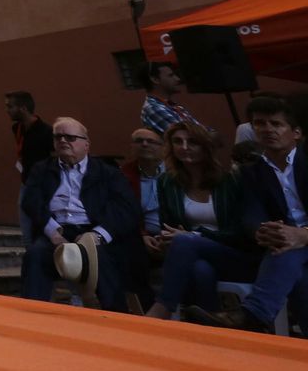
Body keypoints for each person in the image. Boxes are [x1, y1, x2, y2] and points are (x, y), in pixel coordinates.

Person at [187, 95, 308, 333]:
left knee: (287, 249)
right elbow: (251, 214)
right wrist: (263, 231)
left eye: (276, 124)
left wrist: (303, 235)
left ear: (296, 133)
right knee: (291, 259)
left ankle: (254, 315)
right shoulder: (252, 172)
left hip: (297, 244)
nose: (266, 129)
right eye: (259, 123)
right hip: (287, 250)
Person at [18, 117, 139, 312]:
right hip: (57, 231)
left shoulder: (107, 173)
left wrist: (98, 235)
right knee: (36, 255)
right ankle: (32, 314)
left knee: (103, 259)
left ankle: (116, 317)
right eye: (59, 137)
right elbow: (31, 201)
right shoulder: (42, 169)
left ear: (86, 144)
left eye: (70, 137)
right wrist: (53, 232)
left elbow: (125, 208)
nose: (63, 141)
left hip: (93, 231)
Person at [144, 122, 251, 320]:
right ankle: (209, 327)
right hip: (190, 257)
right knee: (201, 270)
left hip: (234, 255)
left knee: (186, 242)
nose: (184, 147)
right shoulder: (167, 182)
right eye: (177, 142)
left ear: (205, 146)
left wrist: (195, 235)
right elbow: (167, 225)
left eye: (192, 142)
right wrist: (163, 239)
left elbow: (241, 233)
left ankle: (162, 307)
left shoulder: (231, 180)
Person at [120, 127, 165, 309]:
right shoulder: (122, 175)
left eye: (151, 141)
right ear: (131, 147)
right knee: (131, 253)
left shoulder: (176, 174)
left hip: (171, 233)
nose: (144, 144)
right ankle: (147, 310)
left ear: (163, 147)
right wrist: (142, 235)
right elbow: (124, 212)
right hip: (139, 236)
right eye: (139, 141)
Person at [140, 62, 209, 137]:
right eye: (171, 75)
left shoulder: (173, 106)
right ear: (155, 79)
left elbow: (205, 132)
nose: (177, 79)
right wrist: (207, 135)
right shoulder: (153, 108)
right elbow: (193, 137)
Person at [6, 91, 53, 183]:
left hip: (43, 184)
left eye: (10, 107)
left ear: (23, 108)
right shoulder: (16, 128)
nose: (7, 110)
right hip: (27, 181)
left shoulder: (47, 131)